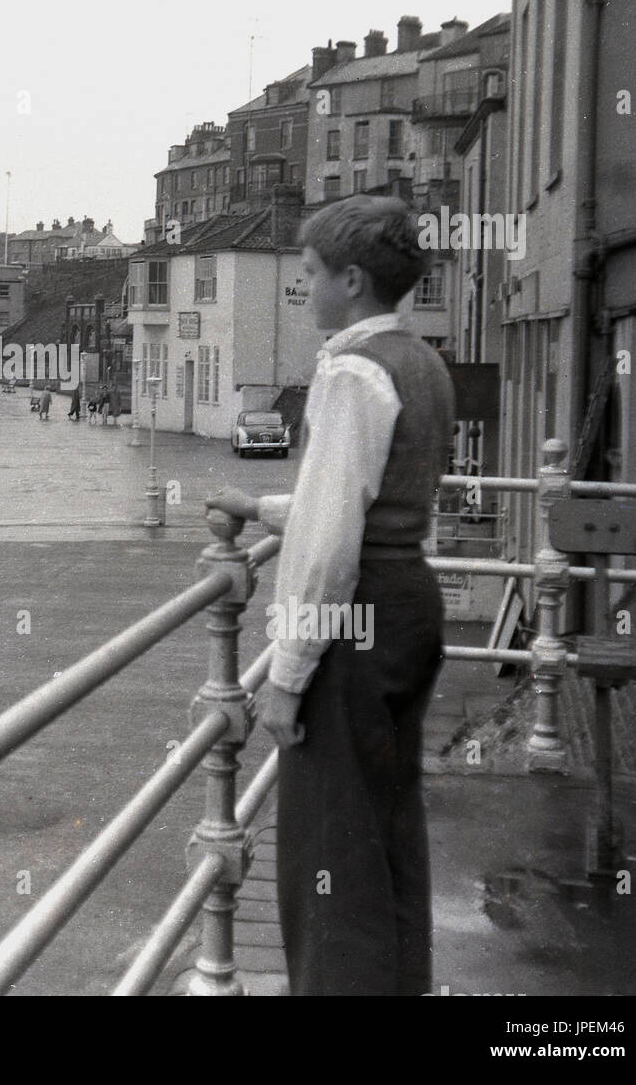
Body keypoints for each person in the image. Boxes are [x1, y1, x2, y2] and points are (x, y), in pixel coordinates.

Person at [204, 194, 455, 997]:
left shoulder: (350, 369)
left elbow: (330, 536)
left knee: (329, 849)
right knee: (387, 831)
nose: (300, 288)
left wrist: (287, 671)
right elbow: (353, 499)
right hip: (409, 600)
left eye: (308, 274)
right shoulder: (422, 362)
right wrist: (265, 507)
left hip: (355, 623)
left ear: (351, 279)